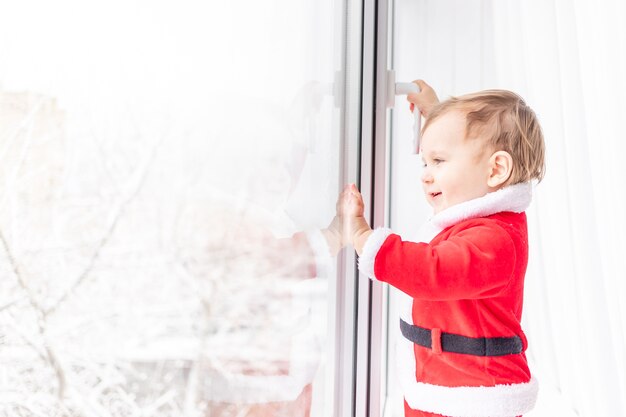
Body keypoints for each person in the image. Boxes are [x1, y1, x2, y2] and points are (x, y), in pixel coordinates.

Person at [330, 80, 545, 417]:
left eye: (438, 161)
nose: (425, 176)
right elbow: (467, 157)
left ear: (496, 170)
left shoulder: (496, 240)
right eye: (425, 163)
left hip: (475, 396)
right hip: (443, 383)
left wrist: (361, 235)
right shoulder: (486, 214)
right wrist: (434, 113)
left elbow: (432, 271)